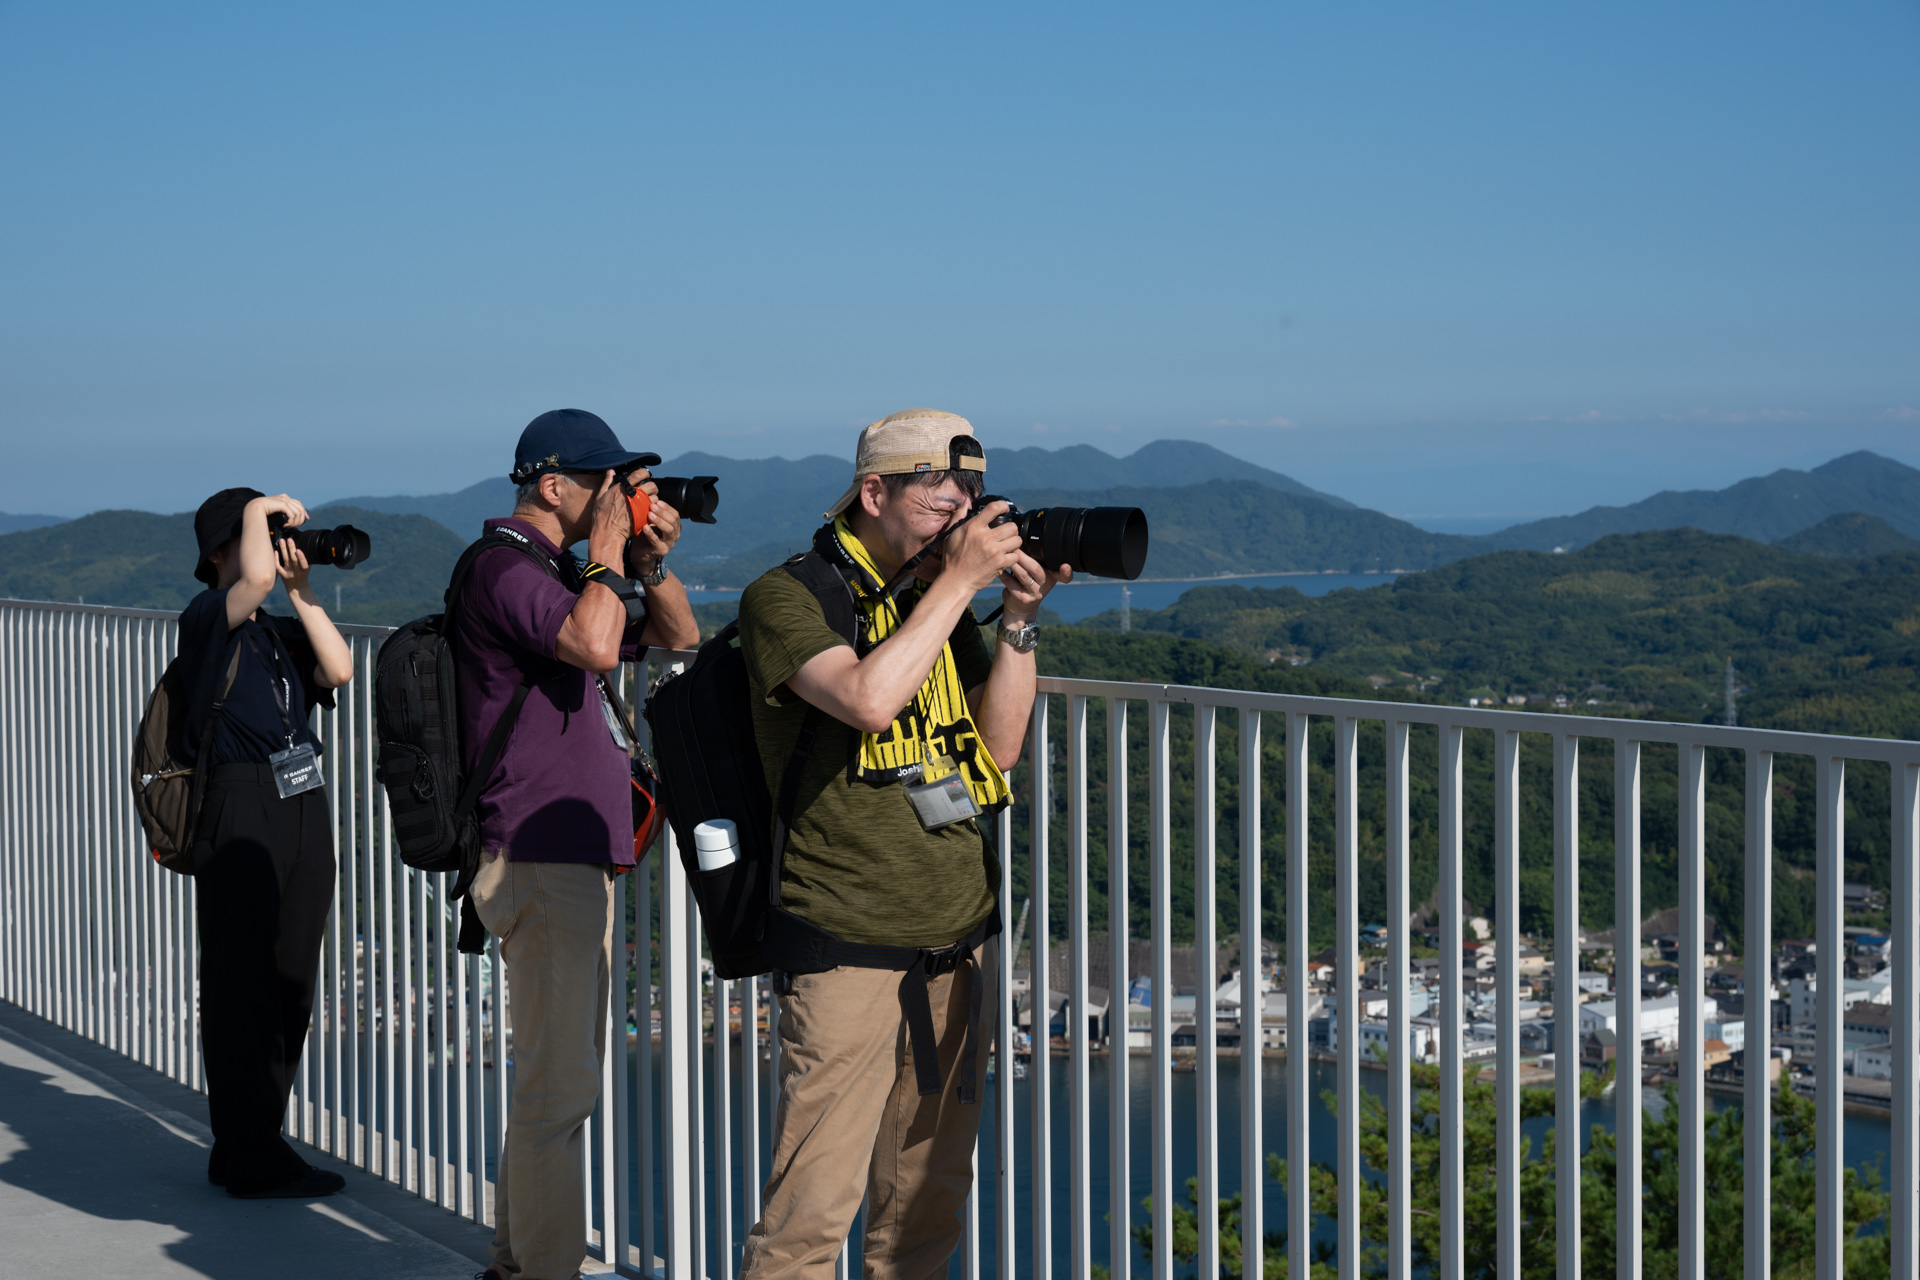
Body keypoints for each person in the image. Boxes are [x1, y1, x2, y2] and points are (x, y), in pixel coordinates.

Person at [737, 408, 1065, 1279]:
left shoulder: (934, 604)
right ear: (873, 492)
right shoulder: (789, 597)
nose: (960, 506)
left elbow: (992, 755)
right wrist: (958, 584)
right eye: (937, 489)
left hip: (956, 945)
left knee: (924, 1210)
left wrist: (1019, 620)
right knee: (808, 1220)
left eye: (970, 488)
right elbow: (868, 700)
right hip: (846, 946)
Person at [457, 409, 699, 1280]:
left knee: (551, 1087)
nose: (620, 500)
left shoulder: (560, 573)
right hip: (539, 853)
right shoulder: (502, 568)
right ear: (552, 486)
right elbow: (597, 641)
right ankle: (541, 1272)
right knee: (561, 1095)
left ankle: (516, 1259)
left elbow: (678, 638)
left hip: (567, 855)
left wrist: (648, 561)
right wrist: (602, 554)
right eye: (606, 485)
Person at [178, 487, 355, 1198]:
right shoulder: (204, 620)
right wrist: (263, 504)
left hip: (302, 801)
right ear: (221, 551)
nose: (273, 544)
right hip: (240, 800)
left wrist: (304, 590)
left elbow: (339, 670)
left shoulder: (277, 632)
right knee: (238, 984)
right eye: (260, 533)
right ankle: (246, 1148)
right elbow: (248, 579)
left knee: (289, 980)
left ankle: (256, 1139)